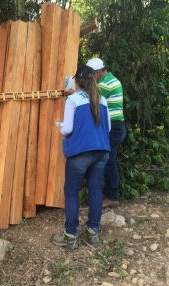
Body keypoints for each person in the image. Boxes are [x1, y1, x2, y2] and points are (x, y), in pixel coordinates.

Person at [51, 65, 111, 250]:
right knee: (94, 191)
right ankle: (93, 232)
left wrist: (59, 128)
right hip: (101, 152)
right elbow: (107, 128)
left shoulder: (73, 99)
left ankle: (70, 236)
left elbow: (68, 129)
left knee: (71, 193)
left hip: (80, 153)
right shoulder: (102, 99)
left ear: (76, 82)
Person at [86, 58, 127, 209]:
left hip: (113, 128)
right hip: (115, 127)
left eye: (90, 75)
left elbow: (90, 100)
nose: (89, 78)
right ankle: (109, 193)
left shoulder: (105, 85)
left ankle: (112, 197)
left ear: (96, 73)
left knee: (108, 162)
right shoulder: (110, 79)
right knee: (108, 160)